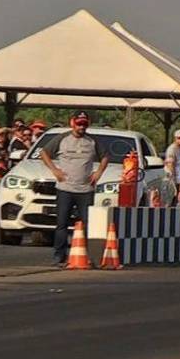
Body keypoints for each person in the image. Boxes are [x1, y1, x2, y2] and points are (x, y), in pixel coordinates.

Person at [40, 111, 109, 266]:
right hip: (65, 188)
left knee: (87, 223)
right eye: (79, 124)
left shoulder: (92, 141)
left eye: (84, 124)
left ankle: (87, 255)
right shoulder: (62, 139)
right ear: (72, 123)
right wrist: (55, 170)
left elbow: (105, 156)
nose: (81, 127)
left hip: (85, 190)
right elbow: (44, 152)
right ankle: (59, 256)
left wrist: (98, 172)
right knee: (62, 224)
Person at [164, 129, 180, 203]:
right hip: (174, 180)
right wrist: (172, 182)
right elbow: (170, 165)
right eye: (179, 138)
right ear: (175, 138)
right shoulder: (171, 149)